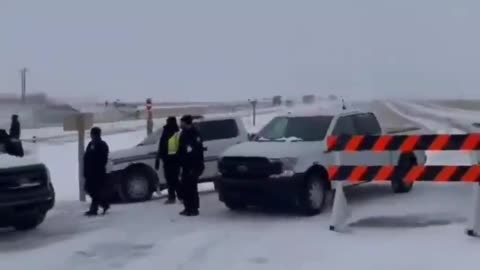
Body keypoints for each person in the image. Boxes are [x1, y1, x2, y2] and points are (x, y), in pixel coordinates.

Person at [178, 115, 204, 216]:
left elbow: (197, 151)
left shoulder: (195, 134)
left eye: (182, 122)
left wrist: (194, 166)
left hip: (194, 165)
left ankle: (194, 209)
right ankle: (187, 207)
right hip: (185, 165)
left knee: (192, 187)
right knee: (185, 187)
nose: (180, 124)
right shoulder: (184, 133)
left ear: (186, 123)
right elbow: (182, 149)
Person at [83, 127, 110, 216]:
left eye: (93, 134)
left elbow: (103, 159)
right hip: (89, 173)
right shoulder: (91, 144)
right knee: (89, 189)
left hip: (98, 173)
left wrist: (95, 167)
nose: (92, 136)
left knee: (95, 191)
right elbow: (86, 158)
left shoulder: (102, 145)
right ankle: (104, 204)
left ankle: (94, 209)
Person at [155, 116, 181, 204]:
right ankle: (173, 197)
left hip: (171, 160)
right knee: (171, 180)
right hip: (169, 160)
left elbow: (166, 146)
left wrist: (159, 157)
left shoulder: (173, 132)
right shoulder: (171, 131)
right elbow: (162, 146)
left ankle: (179, 196)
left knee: (173, 180)